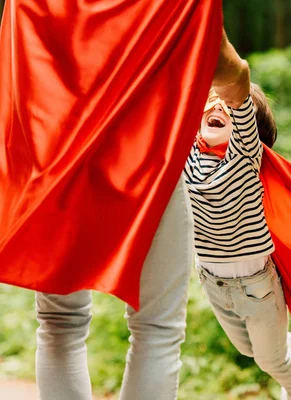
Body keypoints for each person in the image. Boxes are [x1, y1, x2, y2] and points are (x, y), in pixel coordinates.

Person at [33, 26, 250, 400]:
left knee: (59, 323)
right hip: (149, 151)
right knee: (156, 329)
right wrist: (241, 81)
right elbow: (220, 62)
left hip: (59, 150)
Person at [183, 84, 291, 400]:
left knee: (270, 359)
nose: (217, 108)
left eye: (227, 106)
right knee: (249, 348)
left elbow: (241, 105)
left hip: (256, 286)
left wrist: (232, 85)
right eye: (210, 103)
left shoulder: (244, 158)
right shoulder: (186, 153)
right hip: (212, 280)